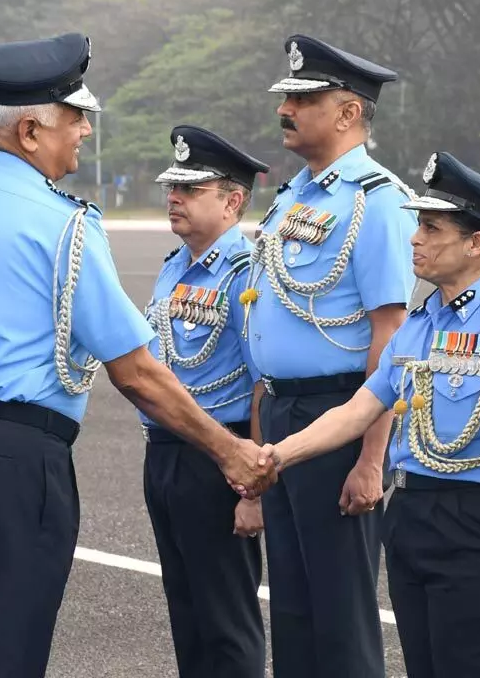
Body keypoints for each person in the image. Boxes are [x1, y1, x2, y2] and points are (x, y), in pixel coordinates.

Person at [0, 33, 274, 678]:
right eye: (74, 116)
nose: (85, 130)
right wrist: (231, 451)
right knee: (2, 655)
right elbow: (138, 372)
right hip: (12, 464)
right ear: (31, 130)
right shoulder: (63, 223)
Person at [255, 150, 480, 678]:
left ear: (476, 244)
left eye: (431, 227)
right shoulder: (421, 324)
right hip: (418, 521)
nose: (415, 239)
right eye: (418, 226)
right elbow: (359, 409)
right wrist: (274, 455)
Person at [241, 33, 418, 677]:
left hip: (342, 413)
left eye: (304, 98)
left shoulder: (378, 201)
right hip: (287, 413)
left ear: (348, 113)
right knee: (292, 608)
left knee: (339, 612)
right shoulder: (294, 196)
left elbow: (390, 336)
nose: (287, 108)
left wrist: (371, 459)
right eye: (286, 96)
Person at [138, 125, 270, 677]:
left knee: (226, 621)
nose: (175, 197)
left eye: (191, 190)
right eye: (174, 187)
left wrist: (255, 489)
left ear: (233, 201)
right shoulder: (176, 266)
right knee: (186, 614)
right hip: (165, 454)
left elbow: (265, 382)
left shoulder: (248, 273)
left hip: (221, 459)